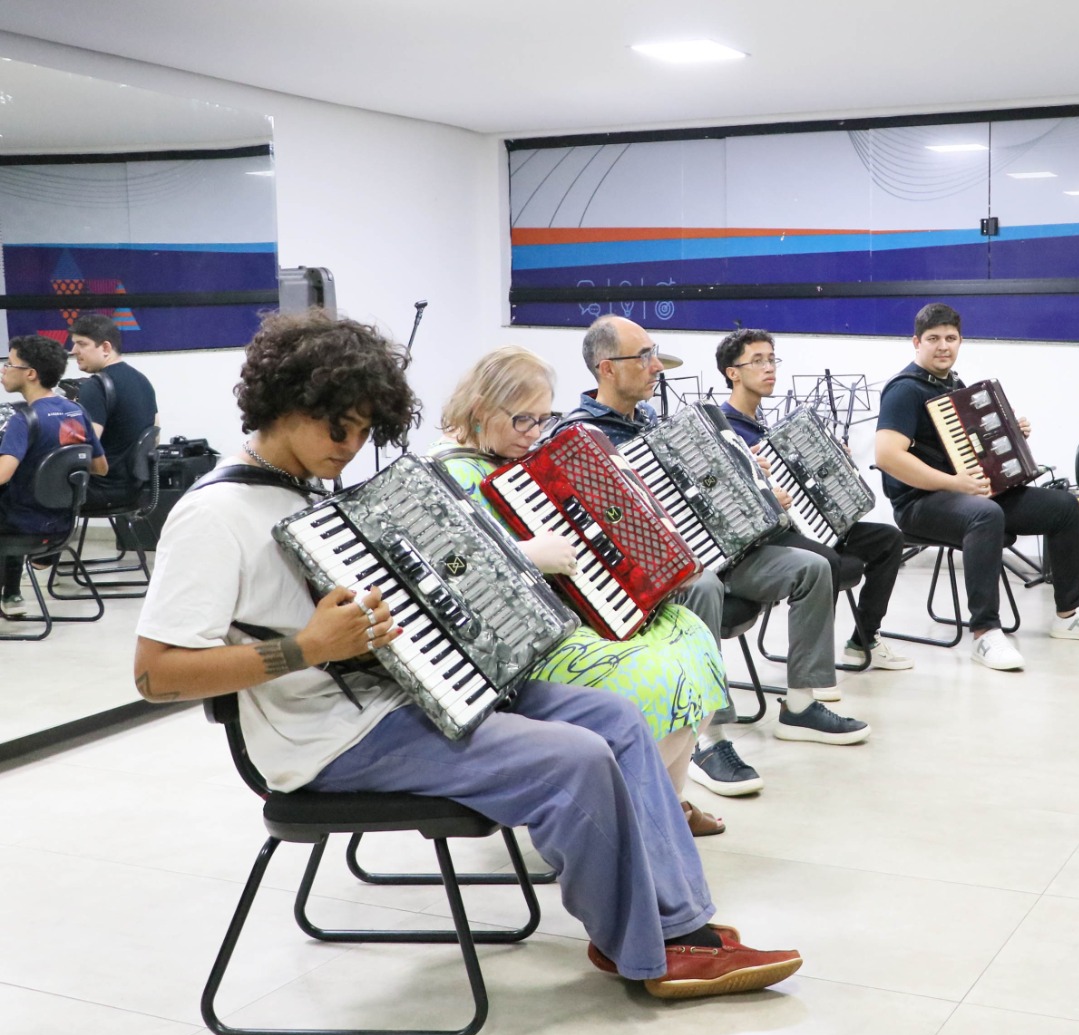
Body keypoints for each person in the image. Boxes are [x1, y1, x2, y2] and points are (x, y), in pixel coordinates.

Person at [131, 312, 801, 998]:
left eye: (366, 430)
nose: (351, 446)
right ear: (285, 404)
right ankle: (650, 952)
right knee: (575, 760)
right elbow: (157, 673)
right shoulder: (214, 516)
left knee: (617, 721)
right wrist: (304, 650)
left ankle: (679, 923)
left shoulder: (306, 491)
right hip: (332, 739)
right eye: (340, 428)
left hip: (413, 696)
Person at [555, 315, 870, 800]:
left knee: (812, 566)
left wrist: (751, 476)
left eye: (653, 352)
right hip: (648, 571)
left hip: (716, 552)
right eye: (644, 356)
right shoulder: (577, 438)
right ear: (607, 369)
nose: (656, 365)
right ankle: (707, 737)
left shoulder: (657, 425)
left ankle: (801, 705)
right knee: (701, 585)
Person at [429, 345, 731, 837]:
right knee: (649, 675)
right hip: (514, 645)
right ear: (481, 410)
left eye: (543, 421)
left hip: (569, 618)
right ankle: (624, 813)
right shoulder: (442, 469)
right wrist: (527, 555)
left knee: (692, 636)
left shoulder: (518, 458)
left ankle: (662, 805)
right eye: (523, 420)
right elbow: (448, 573)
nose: (533, 435)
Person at [874, 303, 1079, 671]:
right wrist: (954, 483)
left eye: (950, 338)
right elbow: (887, 456)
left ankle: (1070, 614)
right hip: (919, 504)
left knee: (1062, 507)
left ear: (960, 341)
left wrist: (1010, 433)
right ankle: (985, 633)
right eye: (933, 339)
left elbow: (973, 448)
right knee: (985, 514)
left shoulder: (953, 386)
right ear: (916, 342)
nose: (943, 346)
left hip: (964, 495)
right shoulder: (904, 391)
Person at [714, 328, 913, 671]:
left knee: (888, 540)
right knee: (827, 560)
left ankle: (864, 639)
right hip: (766, 538)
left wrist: (833, 459)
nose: (769, 368)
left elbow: (800, 478)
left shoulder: (762, 425)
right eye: (757, 361)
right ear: (733, 373)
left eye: (772, 360)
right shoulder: (722, 429)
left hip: (805, 521)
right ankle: (811, 666)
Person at [1, 336, 107, 618]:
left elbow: (2, 474)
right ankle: (10, 595)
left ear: (31, 374)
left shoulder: (23, 419)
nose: (3, 369)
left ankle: (10, 592)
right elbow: (100, 467)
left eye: (9, 363)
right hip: (61, 524)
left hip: (23, 526)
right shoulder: (77, 410)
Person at [67, 313, 160, 509]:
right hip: (133, 490)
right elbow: (156, 437)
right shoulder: (142, 381)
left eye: (82, 344)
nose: (73, 350)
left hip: (100, 490)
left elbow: (82, 451)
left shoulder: (95, 386)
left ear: (106, 348)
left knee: (20, 487)